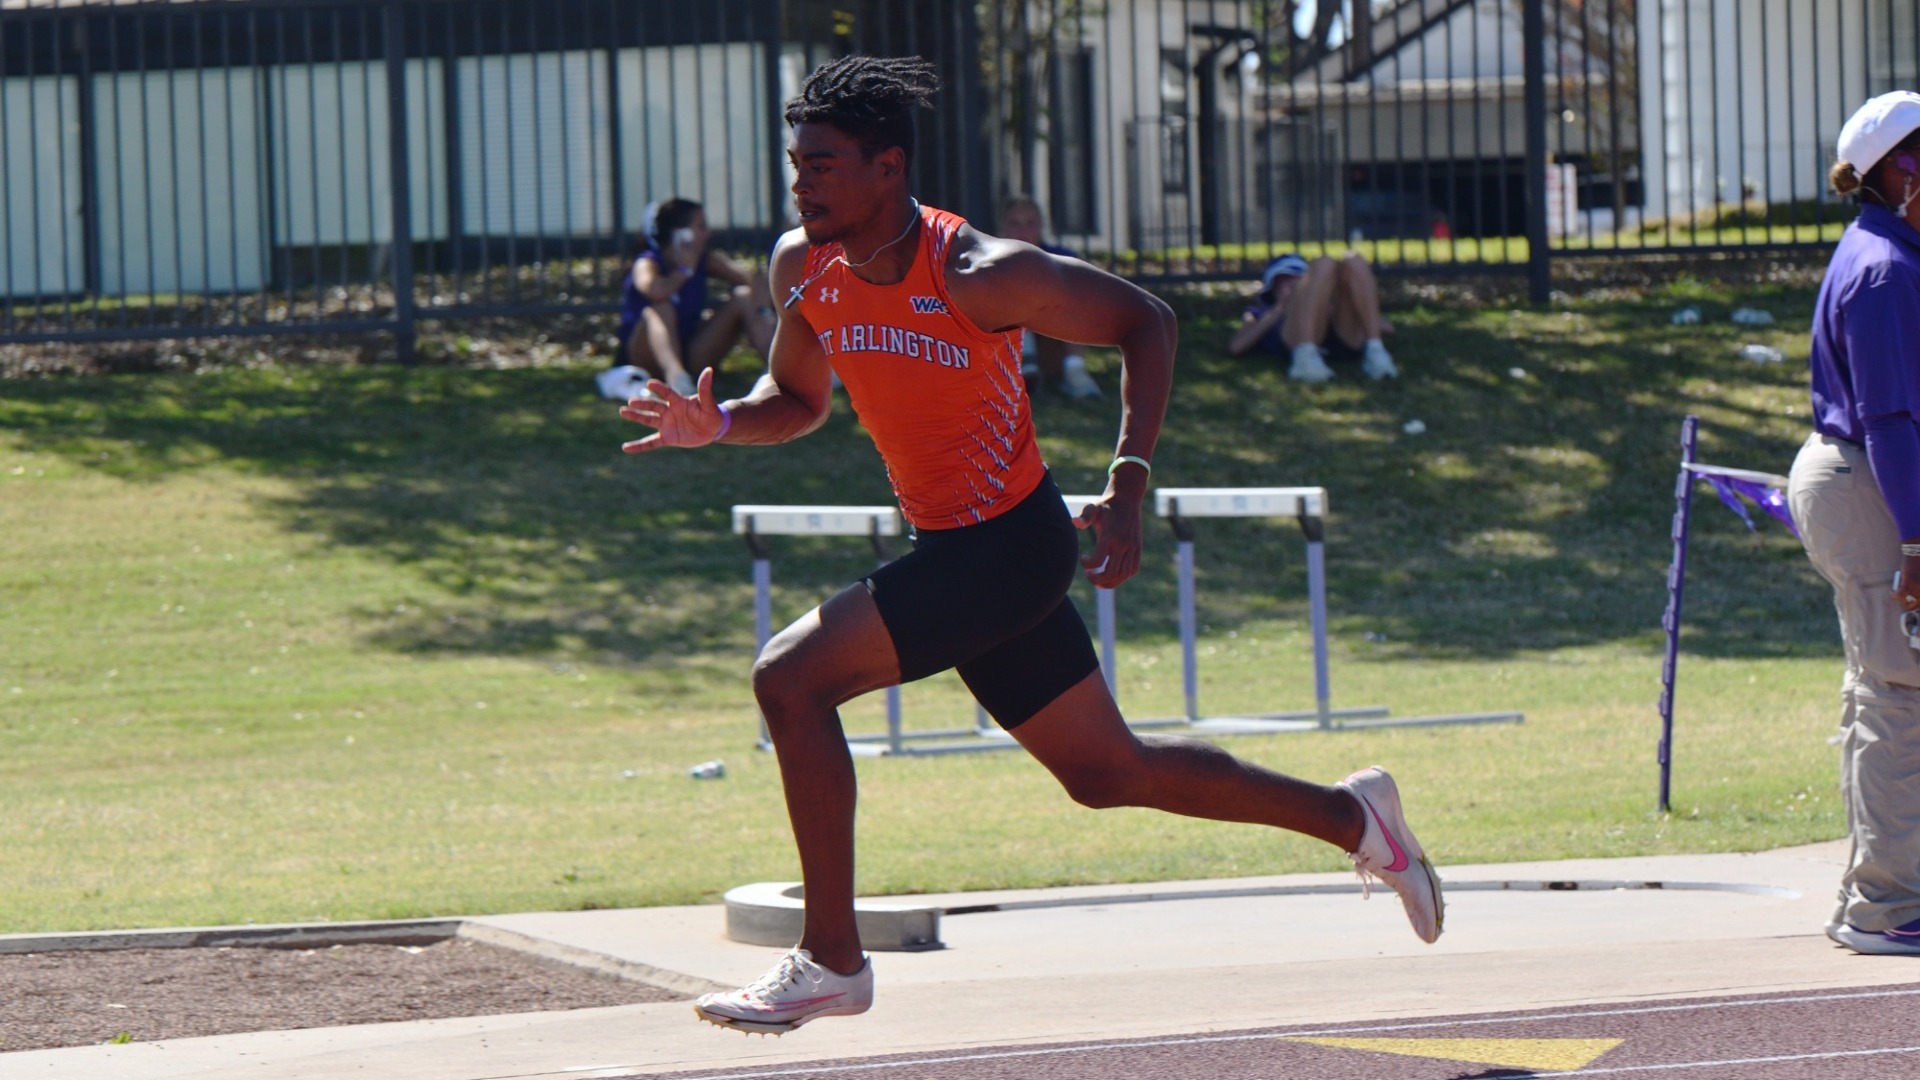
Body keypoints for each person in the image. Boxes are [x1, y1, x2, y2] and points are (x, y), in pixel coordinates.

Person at [618, 55, 1443, 1035]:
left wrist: (1129, 481)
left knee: (790, 680)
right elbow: (797, 400)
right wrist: (718, 424)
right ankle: (1356, 818)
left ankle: (833, 959)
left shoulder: (979, 271)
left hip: (1011, 548)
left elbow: (1148, 323)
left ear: (889, 167)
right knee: (1107, 774)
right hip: (957, 550)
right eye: (797, 164)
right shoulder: (805, 265)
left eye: (823, 165)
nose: (801, 184)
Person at [1788, 89, 1920, 957]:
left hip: (1868, 480)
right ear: (1902, 172)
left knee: (1886, 686)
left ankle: (1874, 894)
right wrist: (1917, 542)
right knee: (1900, 693)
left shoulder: (1890, 251)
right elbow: (1890, 421)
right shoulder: (1886, 271)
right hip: (1873, 484)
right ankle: (1885, 907)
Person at [596, 198, 776, 401]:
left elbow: (754, 280)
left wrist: (762, 311)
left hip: (691, 353)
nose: (707, 234)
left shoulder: (704, 259)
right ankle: (678, 381)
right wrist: (683, 270)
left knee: (743, 296)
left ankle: (777, 371)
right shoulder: (647, 261)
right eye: (701, 227)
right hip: (643, 356)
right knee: (661, 308)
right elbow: (655, 290)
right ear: (680, 233)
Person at [1227, 251, 1398, 383]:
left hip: (1341, 339)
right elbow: (1236, 347)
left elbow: (1387, 328)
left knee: (1353, 261)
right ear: (1272, 288)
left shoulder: (1329, 302)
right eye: (1284, 279)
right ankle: (1305, 356)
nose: (1292, 282)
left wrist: (1331, 310)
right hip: (1295, 340)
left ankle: (1376, 352)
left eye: (1297, 277)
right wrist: (1279, 310)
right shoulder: (1259, 312)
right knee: (1324, 263)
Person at [997, 194, 1103, 399]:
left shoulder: (1060, 257)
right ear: (1003, 228)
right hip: (1008, 341)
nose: (1022, 231)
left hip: (1054, 335)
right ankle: (1025, 368)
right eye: (1015, 223)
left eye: (1030, 223)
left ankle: (1074, 371)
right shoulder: (992, 260)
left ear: (1041, 227)